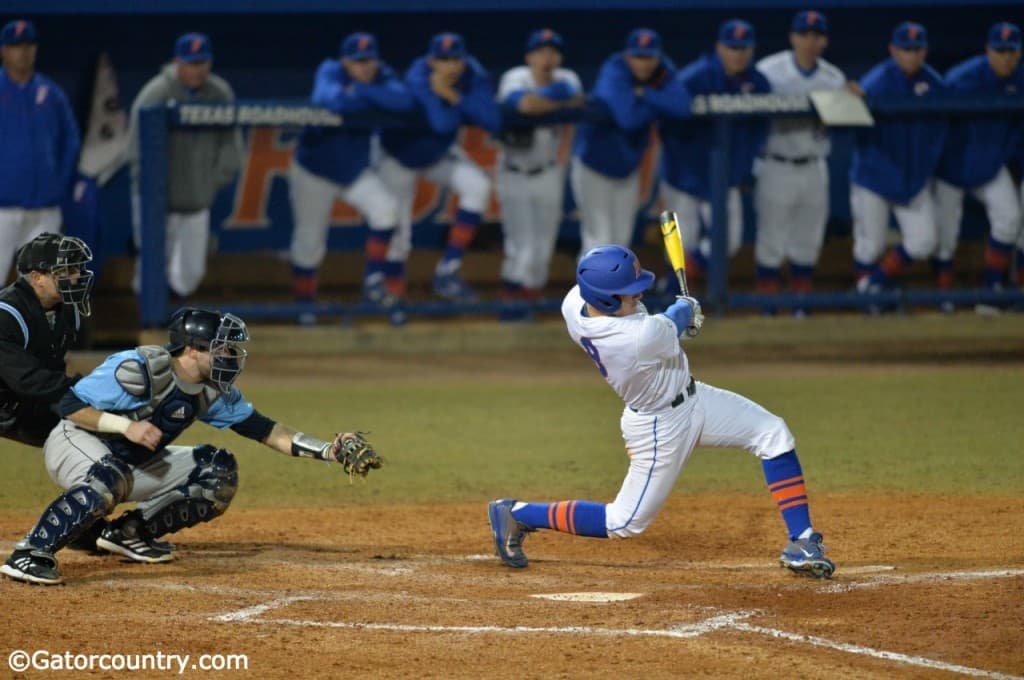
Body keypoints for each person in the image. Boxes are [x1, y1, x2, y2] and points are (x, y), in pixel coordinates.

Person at [487, 245, 835, 579]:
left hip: (695, 398)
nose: (638, 295)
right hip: (659, 425)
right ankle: (516, 513)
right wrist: (688, 308)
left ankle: (802, 541)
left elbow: (672, 322)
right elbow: (674, 320)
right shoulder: (639, 337)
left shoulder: (575, 302)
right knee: (623, 523)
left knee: (772, 433)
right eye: (629, 291)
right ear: (606, 299)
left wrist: (683, 317)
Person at [0, 307, 382, 585]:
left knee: (217, 472)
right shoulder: (139, 367)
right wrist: (124, 427)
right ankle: (30, 552)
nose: (231, 357)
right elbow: (68, 405)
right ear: (194, 349)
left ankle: (127, 534)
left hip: (128, 462)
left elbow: (266, 430)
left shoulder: (213, 391)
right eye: (223, 348)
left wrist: (327, 450)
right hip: (76, 441)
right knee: (109, 475)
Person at [289, 32, 416, 315]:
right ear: (345, 61)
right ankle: (305, 306)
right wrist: (373, 97)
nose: (365, 66)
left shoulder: (381, 75)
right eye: (358, 61)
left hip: (353, 171)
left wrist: (360, 91)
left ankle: (373, 281)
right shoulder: (329, 69)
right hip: (314, 170)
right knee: (309, 240)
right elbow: (329, 101)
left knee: (387, 210)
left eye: (369, 60)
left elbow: (404, 102)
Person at [377, 32, 501, 303]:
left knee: (478, 186)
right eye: (442, 59)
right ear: (431, 60)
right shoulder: (418, 75)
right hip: (398, 156)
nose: (449, 66)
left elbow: (493, 120)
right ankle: (392, 299)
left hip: (437, 153)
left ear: (463, 59)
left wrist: (451, 96)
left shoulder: (473, 73)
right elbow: (442, 124)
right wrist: (463, 103)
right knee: (399, 236)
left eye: (455, 59)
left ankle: (448, 271)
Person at [127, 33, 242, 301]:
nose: (197, 69)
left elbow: (231, 148)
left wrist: (209, 184)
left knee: (190, 274)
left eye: (202, 62)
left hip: (196, 202)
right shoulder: (156, 92)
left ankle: (170, 317)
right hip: (156, 203)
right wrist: (147, 192)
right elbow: (134, 149)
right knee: (150, 270)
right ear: (177, 62)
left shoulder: (219, 93)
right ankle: (150, 328)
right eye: (191, 63)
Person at [754, 11, 854, 312]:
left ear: (824, 40)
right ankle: (767, 312)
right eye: (804, 34)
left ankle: (800, 310)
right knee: (772, 240)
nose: (810, 41)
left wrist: (850, 99)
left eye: (817, 35)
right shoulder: (768, 70)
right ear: (793, 37)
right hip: (776, 163)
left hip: (814, 165)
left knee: (808, 240)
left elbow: (844, 121)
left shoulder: (833, 77)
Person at [660, 19, 769, 289]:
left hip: (723, 178)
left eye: (743, 48)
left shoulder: (758, 82)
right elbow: (666, 125)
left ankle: (674, 289)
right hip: (683, 175)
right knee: (680, 246)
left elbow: (759, 132)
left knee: (728, 241)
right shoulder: (694, 77)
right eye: (732, 47)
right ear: (719, 48)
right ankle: (675, 304)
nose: (738, 54)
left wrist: (743, 171)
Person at [571, 28, 690, 255]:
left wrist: (643, 93)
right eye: (638, 56)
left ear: (658, 56)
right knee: (599, 241)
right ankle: (589, 291)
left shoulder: (664, 69)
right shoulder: (614, 69)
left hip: (627, 169)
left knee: (621, 243)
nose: (644, 64)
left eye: (649, 57)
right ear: (627, 55)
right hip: (593, 166)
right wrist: (657, 101)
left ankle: (611, 291)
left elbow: (683, 106)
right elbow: (628, 119)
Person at [850, 22, 947, 299]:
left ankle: (870, 288)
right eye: (906, 50)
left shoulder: (934, 83)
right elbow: (856, 129)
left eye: (917, 50)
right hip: (875, 178)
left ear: (925, 51)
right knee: (870, 246)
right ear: (893, 50)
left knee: (925, 241)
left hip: (913, 179)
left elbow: (941, 131)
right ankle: (870, 300)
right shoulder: (876, 81)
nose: (912, 56)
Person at [933, 22, 1024, 313]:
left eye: (1012, 52)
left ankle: (990, 291)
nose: (1007, 58)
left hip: (989, 164)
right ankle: (943, 297)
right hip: (952, 167)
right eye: (1000, 51)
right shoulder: (961, 78)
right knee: (945, 236)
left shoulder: (1020, 79)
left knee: (1009, 218)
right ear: (988, 51)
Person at [496, 29, 583, 309]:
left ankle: (529, 298)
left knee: (544, 244)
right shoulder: (514, 77)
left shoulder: (567, 77)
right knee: (519, 243)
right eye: (541, 51)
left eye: (552, 51)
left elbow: (576, 98)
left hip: (547, 171)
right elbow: (523, 104)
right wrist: (554, 101)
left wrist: (539, 102)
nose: (547, 57)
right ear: (529, 56)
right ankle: (511, 300)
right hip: (514, 171)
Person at [0, 20, 81, 283]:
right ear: (3, 51)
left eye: (28, 45)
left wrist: (60, 183)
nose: (22, 52)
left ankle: (34, 326)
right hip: (3, 207)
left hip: (45, 206)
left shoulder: (51, 93)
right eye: (15, 46)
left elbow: (71, 140)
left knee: (43, 286)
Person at [0, 233, 93, 448]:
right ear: (36, 277)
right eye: (65, 271)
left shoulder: (67, 309)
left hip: (22, 401)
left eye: (77, 269)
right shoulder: (6, 315)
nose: (75, 277)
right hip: (13, 400)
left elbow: (50, 368)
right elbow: (29, 379)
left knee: (99, 429)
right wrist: (84, 390)